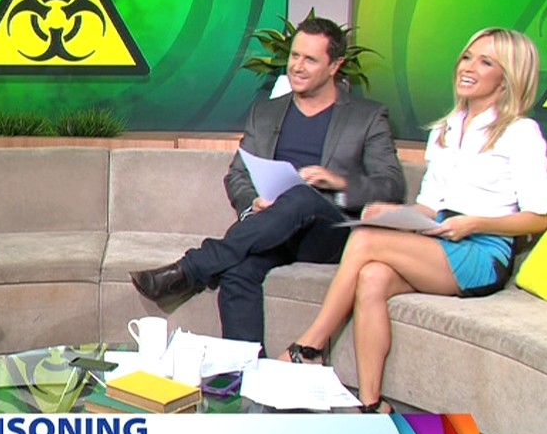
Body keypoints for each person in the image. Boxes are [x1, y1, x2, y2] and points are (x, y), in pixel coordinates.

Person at [277, 28, 547, 413]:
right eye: (467, 57)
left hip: (482, 251)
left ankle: (310, 346)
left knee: (365, 240)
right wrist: (390, 214)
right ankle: (372, 406)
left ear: (507, 77)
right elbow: (428, 207)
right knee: (372, 275)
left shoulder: (520, 133)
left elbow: (538, 218)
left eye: (485, 62)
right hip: (439, 239)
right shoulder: (445, 129)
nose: (468, 67)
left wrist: (473, 224)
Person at [130, 17, 406, 354]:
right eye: (294, 56)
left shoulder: (367, 116)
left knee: (301, 196)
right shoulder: (266, 113)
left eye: (310, 60)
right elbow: (238, 175)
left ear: (335, 66)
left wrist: (338, 182)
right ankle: (244, 371)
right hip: (274, 228)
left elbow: (391, 186)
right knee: (237, 270)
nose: (297, 67)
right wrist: (253, 204)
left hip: (329, 234)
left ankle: (192, 267)